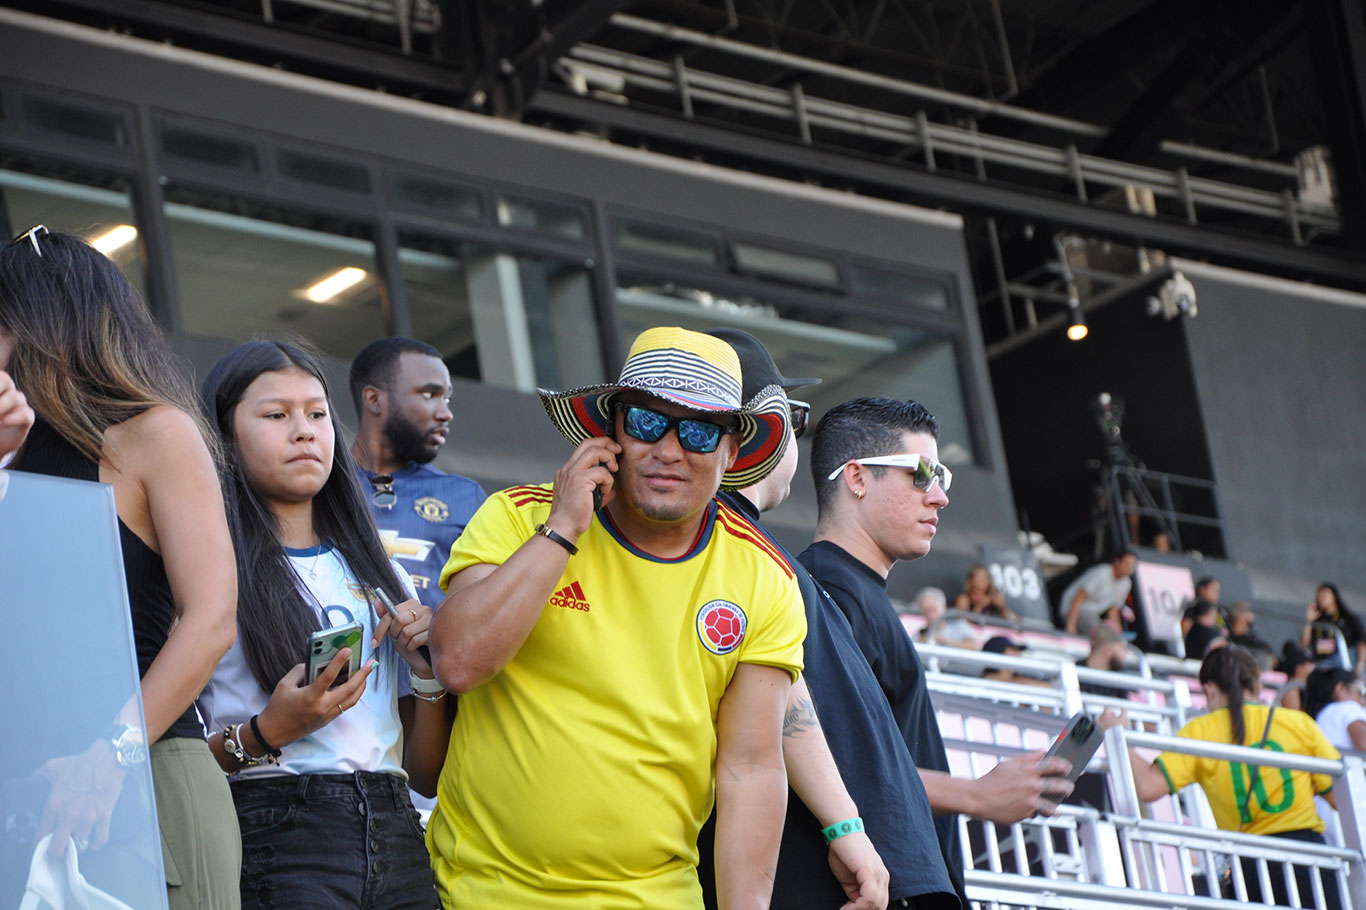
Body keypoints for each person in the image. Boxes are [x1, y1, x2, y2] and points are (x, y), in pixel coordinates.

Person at [426, 326, 807, 909]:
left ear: (731, 452)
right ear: (612, 431)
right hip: (477, 892)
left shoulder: (764, 577)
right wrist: (563, 529)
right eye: (649, 422)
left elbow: (752, 771)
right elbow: (457, 662)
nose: (671, 450)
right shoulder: (516, 517)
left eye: (701, 430)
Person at [1, 227, 241, 909]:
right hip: (24, 790)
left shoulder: (151, 433)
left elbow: (212, 619)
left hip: (142, 771)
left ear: (43, 322)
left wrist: (113, 754)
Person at [695, 328, 955, 910]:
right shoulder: (745, 559)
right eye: (922, 474)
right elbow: (771, 731)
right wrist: (850, 832)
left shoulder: (767, 563)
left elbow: (792, 708)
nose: (938, 495)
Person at [198, 339, 448, 909]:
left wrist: (428, 677)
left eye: (316, 413)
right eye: (275, 415)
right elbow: (170, 761)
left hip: (397, 832)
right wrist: (266, 733)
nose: (305, 431)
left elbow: (422, 774)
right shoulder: (204, 570)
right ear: (223, 437)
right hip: (273, 828)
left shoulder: (380, 571)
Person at [801, 397, 1073, 905]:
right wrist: (976, 794)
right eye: (922, 473)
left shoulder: (851, 594)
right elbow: (831, 758)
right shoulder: (828, 594)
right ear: (857, 478)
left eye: (942, 473)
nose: (941, 496)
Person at [1100, 646, 1343, 909]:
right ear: (1257, 685)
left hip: (1250, 869)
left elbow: (1148, 786)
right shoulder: (1298, 723)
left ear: (1209, 690)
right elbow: (1340, 799)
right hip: (1310, 861)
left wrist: (1118, 737)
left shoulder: (1200, 731)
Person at [349, 337, 487, 609]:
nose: (446, 413)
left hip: (430, 653)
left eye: (446, 398)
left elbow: (487, 609)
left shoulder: (465, 496)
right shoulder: (320, 487)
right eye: (429, 394)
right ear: (374, 399)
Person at [1060, 551, 1136, 635]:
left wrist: (1118, 632)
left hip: (1092, 615)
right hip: (1073, 610)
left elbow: (1113, 610)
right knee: (1099, 634)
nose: (1129, 567)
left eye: (1133, 565)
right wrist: (1071, 625)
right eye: (1127, 563)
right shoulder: (1102, 573)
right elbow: (1078, 598)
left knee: (1108, 634)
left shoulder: (1126, 583)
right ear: (1117, 562)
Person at [1302, 583, 1365, 674]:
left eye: (1325, 594)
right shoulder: (1317, 620)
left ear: (1334, 596)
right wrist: (1308, 621)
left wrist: (1360, 665)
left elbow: (1362, 642)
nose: (1321, 598)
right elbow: (1304, 645)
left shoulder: (1348, 618)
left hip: (1345, 660)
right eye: (1319, 595)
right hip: (1322, 661)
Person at [1303, 667, 1366, 752]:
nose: (1362, 699)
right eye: (1361, 691)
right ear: (1341, 688)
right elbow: (1364, 745)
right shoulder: (1349, 707)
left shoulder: (1323, 714)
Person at [1077, 624, 1132, 701]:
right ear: (1107, 651)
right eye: (1122, 648)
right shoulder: (1074, 673)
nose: (1125, 653)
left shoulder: (1119, 679)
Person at [979, 636, 1049, 687]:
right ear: (998, 654)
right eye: (1013, 650)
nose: (1019, 654)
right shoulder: (981, 685)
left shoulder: (1020, 682)